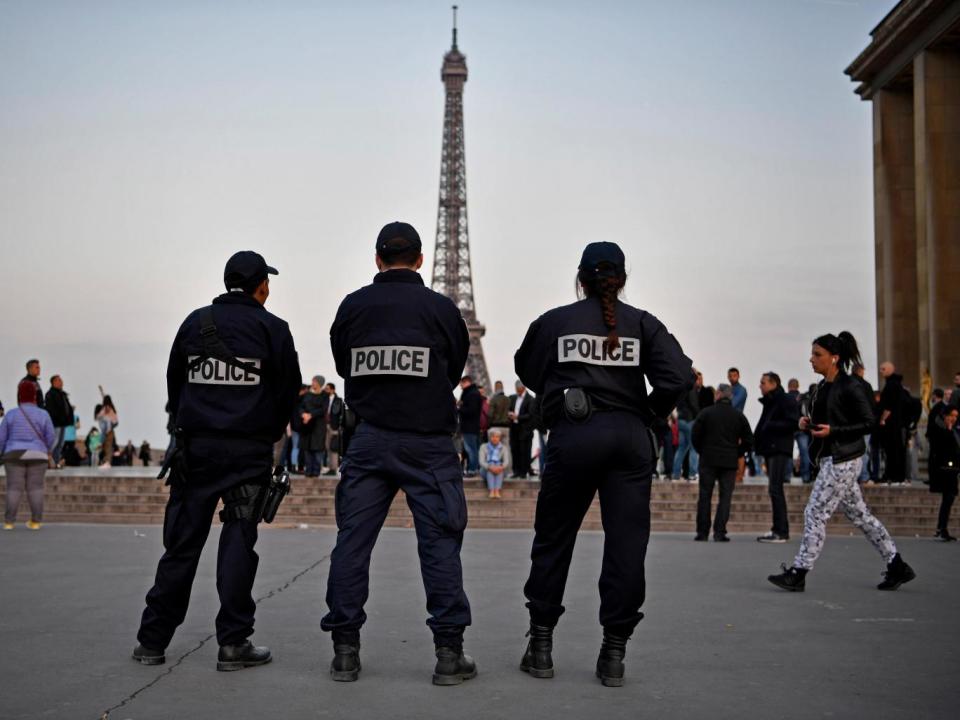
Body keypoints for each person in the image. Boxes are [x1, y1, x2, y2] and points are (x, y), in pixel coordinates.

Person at [514, 241, 692, 687]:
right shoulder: (643, 324)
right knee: (626, 545)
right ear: (623, 280)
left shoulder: (554, 322)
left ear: (580, 279)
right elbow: (680, 377)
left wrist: (563, 391)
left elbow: (527, 369)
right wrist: (648, 412)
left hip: (575, 434)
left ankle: (540, 646)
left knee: (554, 539)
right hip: (629, 439)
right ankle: (613, 654)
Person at [321, 221, 475, 686]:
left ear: (377, 259)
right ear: (421, 259)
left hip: (369, 439)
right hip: (428, 442)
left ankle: (344, 650)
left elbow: (342, 363)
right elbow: (454, 367)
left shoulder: (353, 307)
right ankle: (449, 653)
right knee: (440, 543)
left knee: (352, 541)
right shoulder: (441, 309)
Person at [133, 250, 301, 671]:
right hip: (247, 454)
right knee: (239, 545)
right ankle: (233, 643)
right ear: (262, 285)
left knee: (181, 547)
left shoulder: (195, 322)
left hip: (196, 452)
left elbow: (174, 384)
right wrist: (265, 430)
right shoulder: (274, 329)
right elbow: (288, 394)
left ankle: (152, 641)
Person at [768, 332, 916, 593]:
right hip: (832, 457)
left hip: (843, 459)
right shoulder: (823, 387)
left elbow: (868, 422)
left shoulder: (851, 385)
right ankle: (896, 564)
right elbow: (827, 419)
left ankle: (799, 572)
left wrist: (834, 431)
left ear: (834, 358)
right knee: (860, 515)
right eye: (812, 354)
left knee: (815, 512)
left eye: (817, 354)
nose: (811, 359)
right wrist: (806, 424)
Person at [691, 384, 753, 542]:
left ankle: (702, 532)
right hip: (729, 462)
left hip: (708, 460)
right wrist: (736, 453)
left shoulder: (706, 413)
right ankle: (720, 532)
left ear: (718, 394)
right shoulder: (738, 416)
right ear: (730, 396)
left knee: (705, 496)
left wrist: (702, 451)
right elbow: (748, 440)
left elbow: (695, 436)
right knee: (725, 497)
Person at [1, 380, 56, 530]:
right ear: (34, 396)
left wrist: (2, 452)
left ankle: (9, 522)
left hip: (13, 455)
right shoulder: (43, 414)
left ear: (19, 395)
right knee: (36, 488)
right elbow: (51, 436)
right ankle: (36, 522)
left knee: (13, 488)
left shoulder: (11, 415)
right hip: (38, 455)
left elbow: (2, 438)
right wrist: (46, 449)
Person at [754, 372, 800, 543]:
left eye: (763, 382)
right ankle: (778, 529)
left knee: (776, 489)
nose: (760, 385)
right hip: (770, 448)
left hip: (778, 448)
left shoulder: (784, 399)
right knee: (774, 489)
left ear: (773, 384)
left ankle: (781, 531)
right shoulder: (771, 401)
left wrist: (770, 426)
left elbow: (793, 422)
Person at [927, 405, 959, 541]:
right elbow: (941, 448)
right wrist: (949, 431)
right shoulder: (939, 428)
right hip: (944, 469)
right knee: (948, 497)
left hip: (951, 469)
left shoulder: (951, 429)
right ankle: (941, 528)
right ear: (945, 416)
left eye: (956, 416)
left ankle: (942, 528)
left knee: (949, 498)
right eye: (951, 415)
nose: (953, 419)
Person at [877, 361, 908, 484]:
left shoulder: (892, 385)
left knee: (892, 450)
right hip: (895, 423)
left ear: (891, 370)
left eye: (883, 369)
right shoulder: (895, 384)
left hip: (892, 424)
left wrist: (882, 419)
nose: (881, 371)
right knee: (894, 450)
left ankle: (894, 475)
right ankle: (895, 474)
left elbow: (889, 405)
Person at [671, 372, 700, 480]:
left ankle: (676, 473)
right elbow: (693, 405)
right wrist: (699, 416)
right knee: (693, 448)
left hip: (681, 420)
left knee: (681, 448)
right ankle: (693, 474)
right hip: (689, 420)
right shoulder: (690, 388)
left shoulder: (680, 387)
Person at [300, 376, 328, 477]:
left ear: (320, 383)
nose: (312, 383)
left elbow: (323, 409)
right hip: (307, 425)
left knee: (317, 449)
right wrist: (303, 414)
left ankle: (316, 471)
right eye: (312, 381)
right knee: (307, 449)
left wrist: (310, 415)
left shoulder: (325, 395)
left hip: (319, 426)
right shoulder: (307, 394)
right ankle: (308, 471)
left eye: (314, 381)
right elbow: (301, 406)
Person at [44, 375, 73, 468]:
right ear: (54, 382)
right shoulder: (50, 394)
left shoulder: (62, 394)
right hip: (55, 423)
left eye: (61, 380)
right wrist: (58, 418)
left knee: (60, 444)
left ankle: (55, 462)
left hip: (63, 424)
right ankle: (47, 462)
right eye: (59, 380)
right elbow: (51, 409)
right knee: (54, 443)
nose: (61, 382)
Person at [509, 381, 535, 478]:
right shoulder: (513, 398)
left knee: (524, 451)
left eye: (519, 390)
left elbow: (530, 415)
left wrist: (518, 417)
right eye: (516, 390)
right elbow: (510, 408)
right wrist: (510, 414)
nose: (517, 392)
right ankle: (516, 471)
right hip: (514, 429)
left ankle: (523, 472)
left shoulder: (531, 399)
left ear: (523, 388)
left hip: (525, 430)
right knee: (514, 450)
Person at [458, 375, 483, 476]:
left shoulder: (471, 394)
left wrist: (459, 408)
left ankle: (473, 470)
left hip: (469, 427)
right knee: (473, 449)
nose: (460, 386)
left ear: (466, 382)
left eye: (461, 384)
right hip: (472, 426)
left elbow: (471, 411)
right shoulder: (474, 393)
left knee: (471, 449)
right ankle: (473, 469)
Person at [479, 428, 511, 498]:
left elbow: (506, 462)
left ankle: (496, 491)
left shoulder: (503, 448)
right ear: (489, 437)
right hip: (485, 470)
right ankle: (492, 491)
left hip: (500, 469)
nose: (495, 438)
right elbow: (481, 461)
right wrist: (490, 467)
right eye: (493, 436)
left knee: (497, 467)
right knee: (491, 467)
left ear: (499, 438)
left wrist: (501, 467)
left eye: (497, 437)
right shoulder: (483, 447)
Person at [323, 382, 344, 476]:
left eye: (327, 389)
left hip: (334, 427)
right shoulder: (324, 399)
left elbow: (341, 414)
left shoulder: (338, 400)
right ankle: (329, 467)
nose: (326, 390)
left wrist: (338, 427)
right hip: (324, 426)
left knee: (333, 448)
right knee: (327, 447)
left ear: (332, 390)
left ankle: (333, 468)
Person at [96, 395, 119, 469]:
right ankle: (107, 461)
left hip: (107, 431)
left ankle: (107, 462)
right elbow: (115, 421)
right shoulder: (112, 408)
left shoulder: (107, 408)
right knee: (107, 446)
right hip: (110, 430)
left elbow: (99, 416)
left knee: (108, 447)